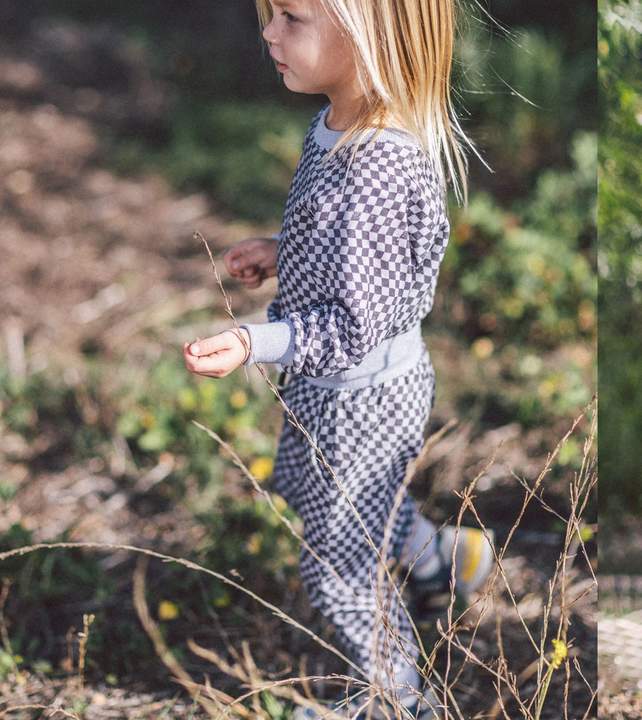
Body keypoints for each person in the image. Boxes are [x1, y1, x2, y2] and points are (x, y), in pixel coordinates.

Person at [183, 0, 495, 717]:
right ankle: (441, 559)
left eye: (291, 16)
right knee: (317, 493)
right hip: (331, 388)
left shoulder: (380, 164)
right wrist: (282, 250)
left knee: (338, 570)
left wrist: (251, 341)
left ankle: (396, 698)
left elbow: (355, 324)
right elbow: (356, 260)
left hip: (363, 394)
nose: (268, 32)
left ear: (372, 35)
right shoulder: (335, 127)